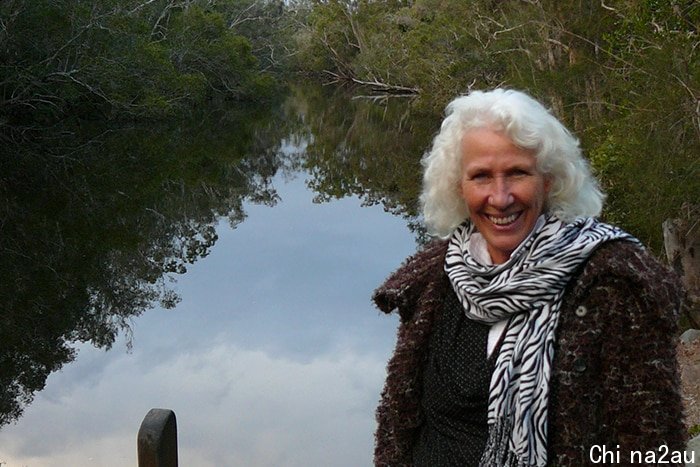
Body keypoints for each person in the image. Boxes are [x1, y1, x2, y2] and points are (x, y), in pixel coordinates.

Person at [372, 88, 686, 466]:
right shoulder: (435, 279)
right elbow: (401, 425)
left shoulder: (613, 282)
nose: (500, 197)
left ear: (548, 180)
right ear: (459, 187)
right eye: (481, 176)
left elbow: (651, 446)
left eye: (517, 173)